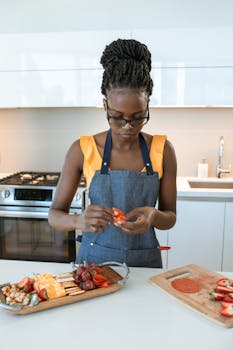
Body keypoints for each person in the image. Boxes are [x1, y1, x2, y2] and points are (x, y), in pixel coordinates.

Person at [48, 38, 177, 268]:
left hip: (144, 266)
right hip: (94, 267)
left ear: (147, 106)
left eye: (138, 117)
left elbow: (170, 217)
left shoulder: (162, 150)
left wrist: (153, 216)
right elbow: (55, 215)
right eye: (118, 117)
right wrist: (78, 220)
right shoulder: (82, 149)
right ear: (105, 105)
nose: (128, 127)